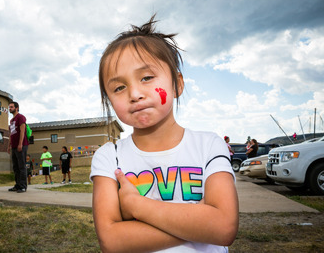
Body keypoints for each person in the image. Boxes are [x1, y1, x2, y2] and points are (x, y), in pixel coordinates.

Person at [90, 15, 238, 252]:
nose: (135, 93)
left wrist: (136, 205)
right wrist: (198, 224)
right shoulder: (109, 158)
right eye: (119, 87)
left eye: (147, 77)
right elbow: (111, 241)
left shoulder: (208, 146)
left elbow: (223, 227)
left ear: (177, 84)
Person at [7, 101, 29, 193]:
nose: (10, 108)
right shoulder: (11, 120)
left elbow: (22, 131)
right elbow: (11, 134)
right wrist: (9, 146)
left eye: (11, 107)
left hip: (22, 145)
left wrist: (20, 144)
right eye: (9, 107)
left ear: (16, 108)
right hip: (14, 146)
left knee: (21, 166)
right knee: (15, 167)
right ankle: (17, 185)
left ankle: (23, 186)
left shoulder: (21, 117)